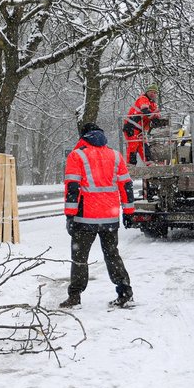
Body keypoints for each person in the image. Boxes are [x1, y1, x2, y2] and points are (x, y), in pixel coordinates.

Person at [60, 122, 136, 308]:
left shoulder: (77, 156)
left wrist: (70, 215)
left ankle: (75, 296)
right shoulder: (115, 156)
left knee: (80, 258)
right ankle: (125, 292)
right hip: (109, 216)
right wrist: (128, 211)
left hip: (85, 217)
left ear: (83, 136)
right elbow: (126, 185)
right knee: (112, 255)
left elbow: (73, 187)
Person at [123, 84, 163, 165]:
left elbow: (156, 116)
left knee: (143, 146)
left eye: (155, 93)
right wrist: (153, 117)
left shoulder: (153, 104)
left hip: (140, 129)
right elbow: (145, 111)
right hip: (131, 126)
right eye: (151, 92)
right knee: (133, 146)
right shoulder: (143, 99)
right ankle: (131, 165)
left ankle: (149, 163)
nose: (153, 94)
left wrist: (157, 119)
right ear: (147, 92)